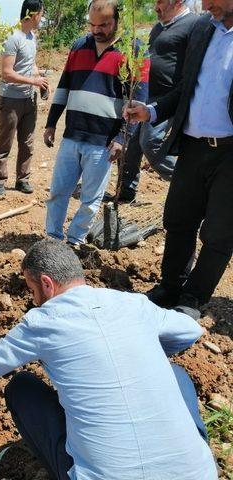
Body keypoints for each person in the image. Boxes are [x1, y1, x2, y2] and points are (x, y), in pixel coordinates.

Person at [0, 239, 217, 480]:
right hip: (196, 474)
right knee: (175, 374)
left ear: (47, 284)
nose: (33, 298)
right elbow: (190, 330)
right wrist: (145, 353)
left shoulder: (43, 321)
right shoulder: (133, 304)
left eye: (32, 289)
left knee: (20, 387)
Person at [125, 0, 233, 318]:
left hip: (231, 154)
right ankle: (170, 286)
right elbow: (186, 87)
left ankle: (193, 298)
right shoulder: (203, 28)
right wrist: (153, 111)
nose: (206, 4)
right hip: (194, 146)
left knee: (219, 232)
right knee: (178, 219)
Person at [44, 0, 149, 245]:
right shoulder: (79, 46)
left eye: (103, 25)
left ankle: (75, 241)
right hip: (72, 136)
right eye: (92, 24)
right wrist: (51, 123)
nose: (96, 30)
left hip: (103, 141)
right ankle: (52, 239)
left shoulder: (133, 51)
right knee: (58, 192)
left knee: (91, 199)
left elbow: (138, 101)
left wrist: (123, 137)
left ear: (117, 21)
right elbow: (64, 86)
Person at [108, 0, 197, 202]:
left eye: (161, 2)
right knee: (130, 144)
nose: (156, 7)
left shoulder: (193, 24)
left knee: (150, 143)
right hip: (146, 95)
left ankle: (189, 185)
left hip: (168, 99)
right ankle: (126, 191)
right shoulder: (158, 27)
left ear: (178, 2)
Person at [0, 0, 48, 196]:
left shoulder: (32, 37)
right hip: (11, 100)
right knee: (5, 142)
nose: (42, 18)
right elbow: (7, 73)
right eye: (41, 14)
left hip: (29, 99)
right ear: (33, 15)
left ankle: (22, 179)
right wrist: (33, 81)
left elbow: (30, 65)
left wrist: (39, 77)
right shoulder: (12, 37)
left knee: (27, 142)